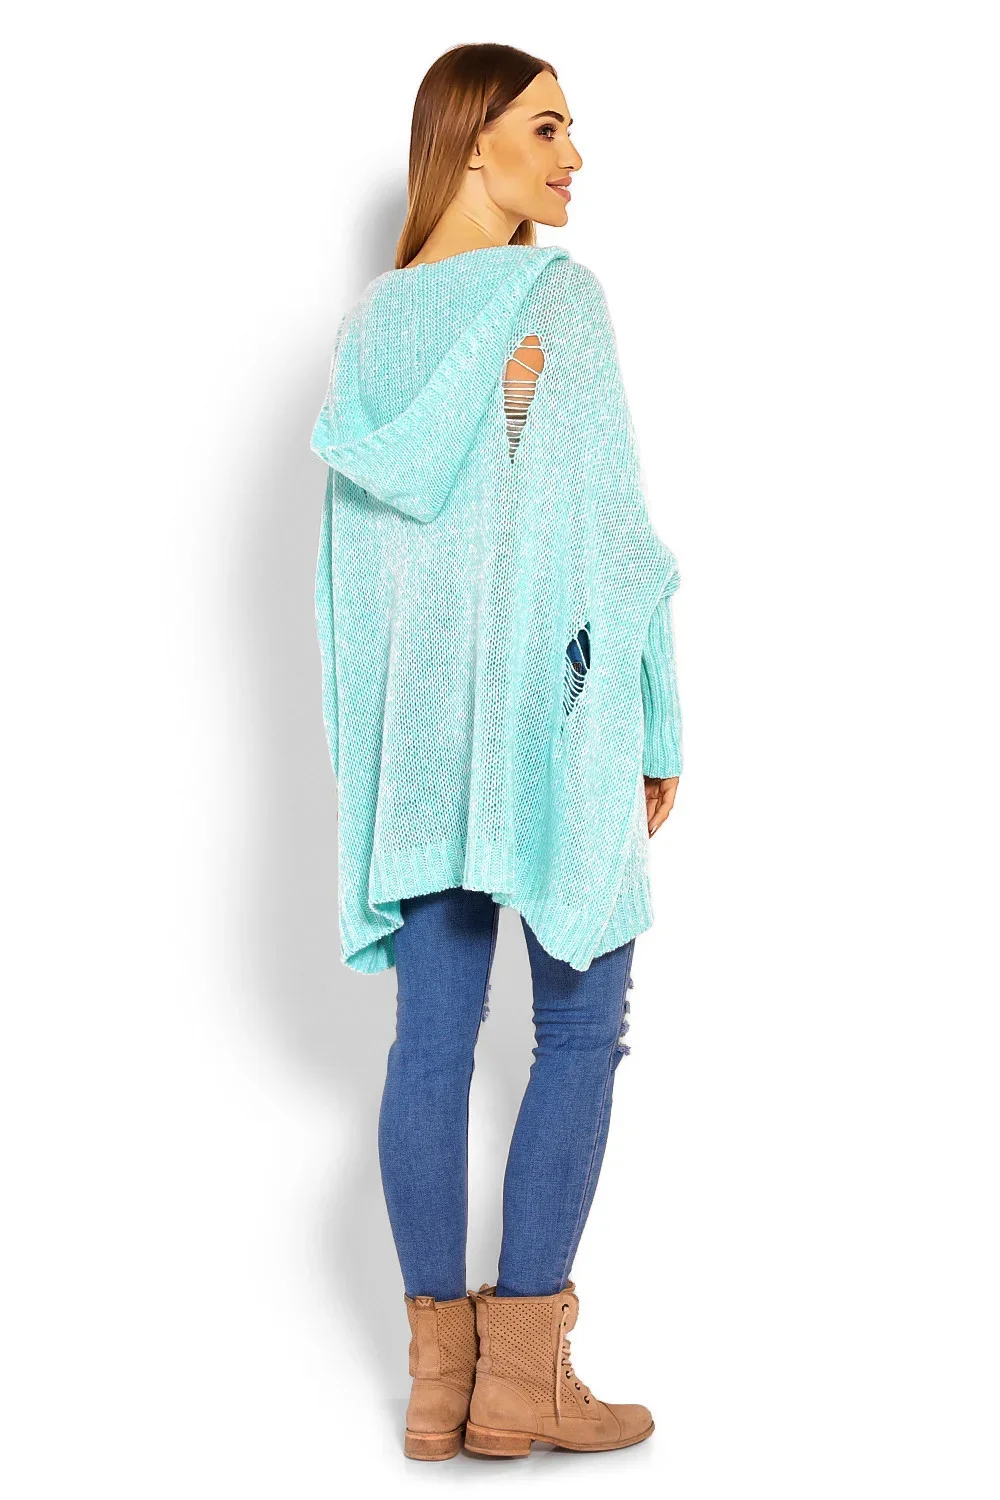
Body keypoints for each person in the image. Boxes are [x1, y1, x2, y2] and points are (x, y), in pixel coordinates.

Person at [311, 43, 683, 1460]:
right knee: (581, 1028)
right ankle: (523, 1378)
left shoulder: (370, 337)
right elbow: (612, 539)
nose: (574, 155)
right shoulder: (556, 303)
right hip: (555, 723)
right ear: (471, 142)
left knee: (430, 1045)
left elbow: (352, 591)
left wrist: (385, 762)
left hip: (421, 746)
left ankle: (437, 1384)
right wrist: (653, 713)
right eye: (548, 127)